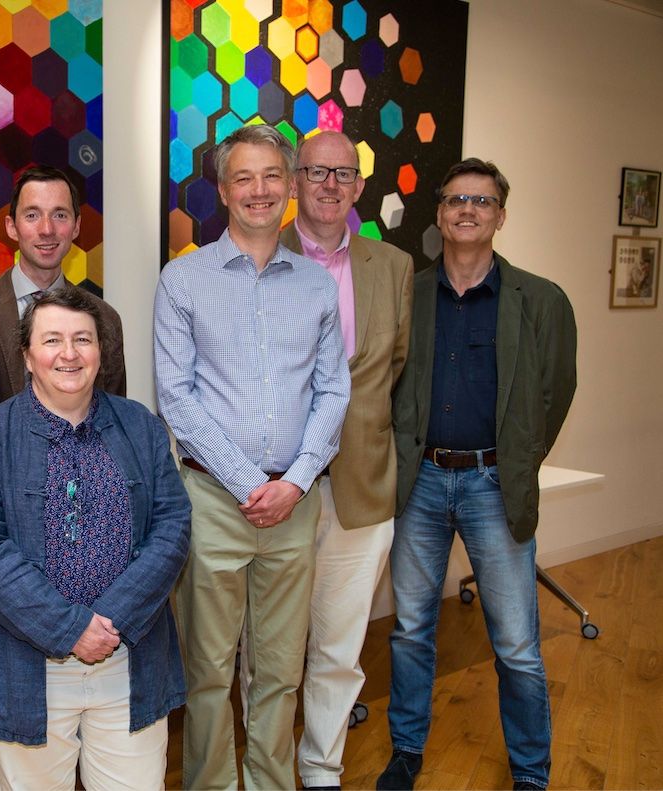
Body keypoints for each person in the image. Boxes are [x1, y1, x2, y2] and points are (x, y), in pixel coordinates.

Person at [154, 123, 351, 790]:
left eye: (272, 176)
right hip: (212, 500)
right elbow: (176, 399)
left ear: (290, 186)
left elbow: (332, 389)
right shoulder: (182, 279)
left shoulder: (316, 287)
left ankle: (270, 782)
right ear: (222, 189)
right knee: (207, 671)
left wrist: (293, 482)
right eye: (244, 177)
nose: (259, 190)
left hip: (295, 502)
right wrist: (247, 483)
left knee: (279, 670)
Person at [378, 159, 577, 791]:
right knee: (410, 630)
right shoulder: (411, 294)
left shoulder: (540, 300)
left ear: (500, 216)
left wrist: (517, 459)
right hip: (422, 485)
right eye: (457, 199)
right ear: (439, 214)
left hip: (494, 485)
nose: (468, 210)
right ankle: (407, 751)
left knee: (516, 644)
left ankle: (531, 773)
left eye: (483, 201)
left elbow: (555, 391)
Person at [0, 289, 190, 791]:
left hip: (126, 658)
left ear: (101, 353)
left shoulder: (141, 427)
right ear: (27, 356)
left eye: (83, 339)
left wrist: (112, 619)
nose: (69, 353)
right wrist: (70, 628)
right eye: (52, 339)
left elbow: (172, 527)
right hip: (27, 667)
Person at [278, 131, 413, 790]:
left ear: (357, 186)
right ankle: (268, 768)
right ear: (293, 180)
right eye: (316, 171)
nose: (329, 184)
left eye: (342, 173)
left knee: (337, 648)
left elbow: (396, 369)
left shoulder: (391, 267)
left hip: (361, 487)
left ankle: (321, 770)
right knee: (268, 649)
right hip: (275, 494)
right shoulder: (255, 255)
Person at [0, 164, 125, 401]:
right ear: (12, 227)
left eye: (59, 215)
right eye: (32, 215)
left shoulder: (105, 318)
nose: (47, 229)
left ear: (76, 227)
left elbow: (114, 418)